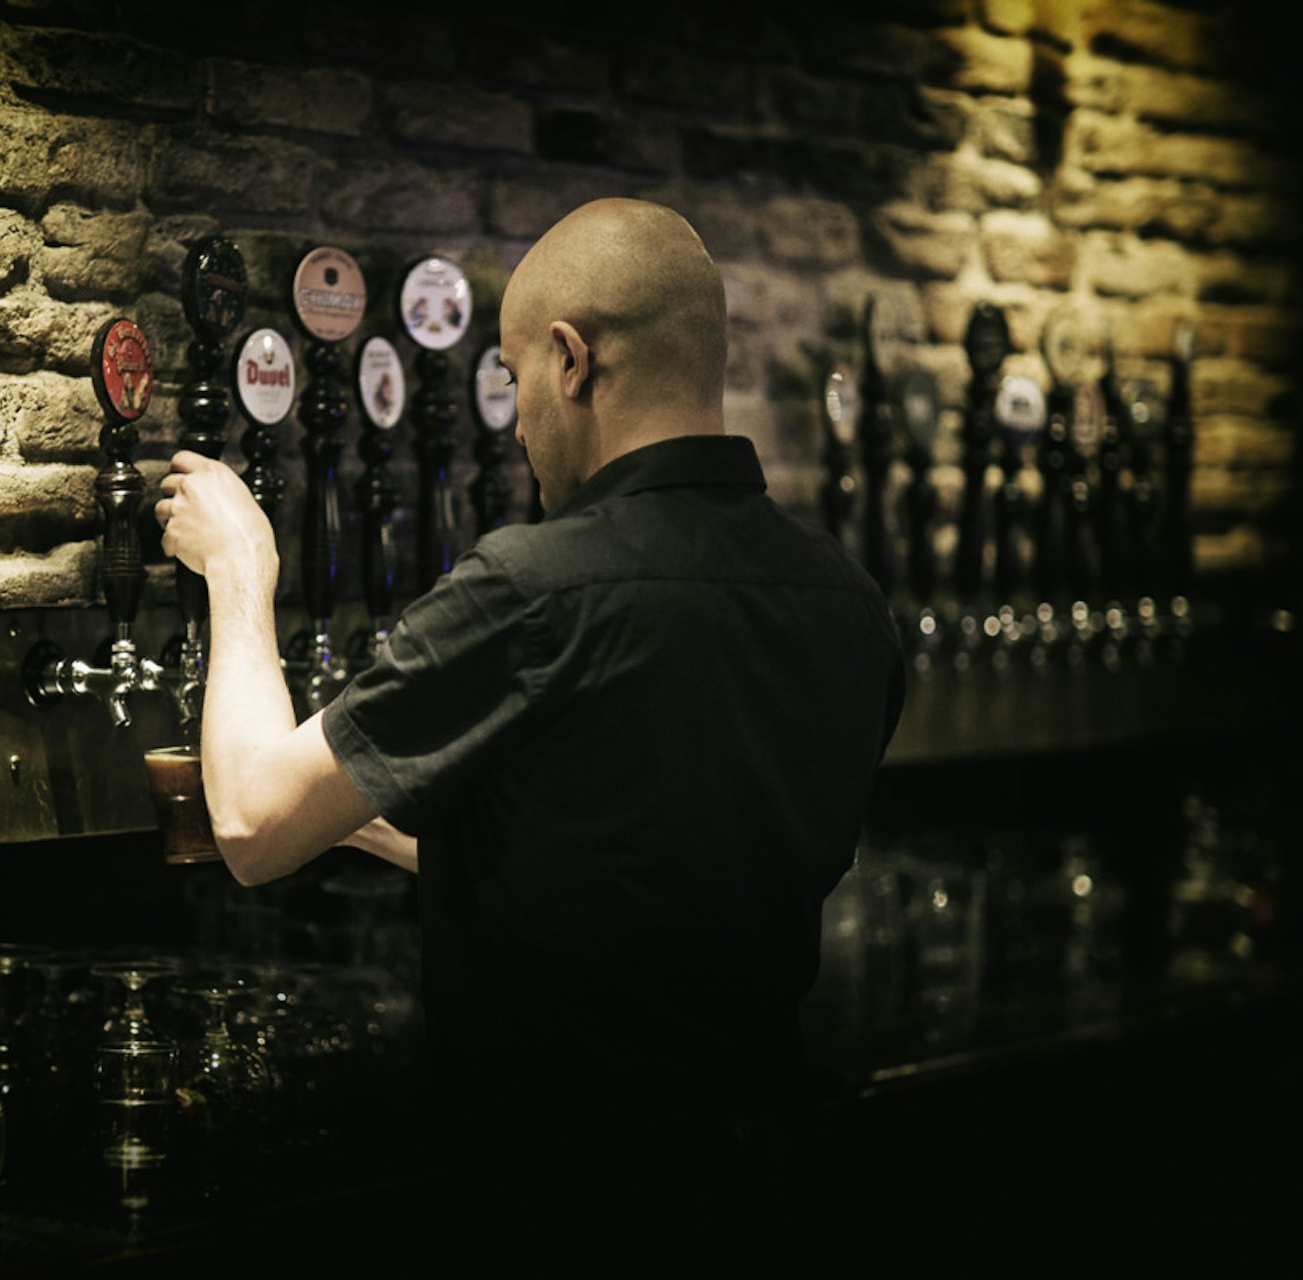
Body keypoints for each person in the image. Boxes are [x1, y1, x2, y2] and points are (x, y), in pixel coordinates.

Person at [156, 198, 904, 1226]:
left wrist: (242, 566)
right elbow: (624, 865)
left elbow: (247, 824)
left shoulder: (536, 588)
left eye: (511, 381)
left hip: (557, 1196)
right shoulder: (850, 606)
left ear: (571, 360)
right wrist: (358, 798)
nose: (514, 422)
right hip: (768, 1180)